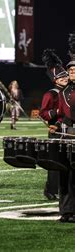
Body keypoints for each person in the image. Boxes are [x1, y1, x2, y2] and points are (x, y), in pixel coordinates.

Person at [48, 33, 75, 222]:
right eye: (70, 70)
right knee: (64, 174)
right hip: (66, 136)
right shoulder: (62, 92)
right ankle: (66, 212)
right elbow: (61, 114)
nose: (72, 72)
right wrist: (55, 125)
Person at [40, 49, 69, 200]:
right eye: (62, 77)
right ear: (55, 79)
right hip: (55, 130)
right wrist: (58, 111)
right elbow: (43, 113)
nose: (65, 78)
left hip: (68, 130)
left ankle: (64, 188)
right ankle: (50, 190)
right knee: (54, 162)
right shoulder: (50, 94)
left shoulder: (69, 92)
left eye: (65, 76)